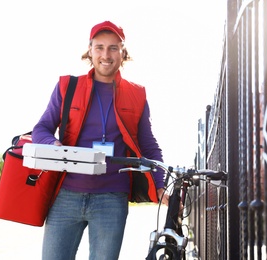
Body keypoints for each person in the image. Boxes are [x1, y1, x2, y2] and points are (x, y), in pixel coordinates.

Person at [32, 21, 167, 260]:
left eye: (113, 48)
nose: (106, 55)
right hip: (65, 195)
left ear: (123, 53)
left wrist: (159, 184)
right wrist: (53, 145)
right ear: (90, 50)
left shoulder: (137, 94)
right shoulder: (67, 86)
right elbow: (41, 128)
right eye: (100, 47)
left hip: (111, 199)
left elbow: (148, 145)